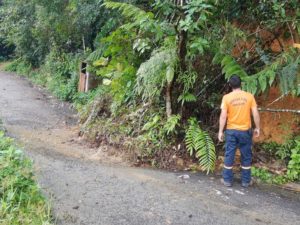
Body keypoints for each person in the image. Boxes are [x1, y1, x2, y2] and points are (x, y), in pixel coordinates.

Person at [218, 75, 260, 188]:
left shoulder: (226, 98)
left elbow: (223, 116)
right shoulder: (249, 96)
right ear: (241, 84)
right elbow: (255, 113)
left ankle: (227, 180)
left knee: (229, 154)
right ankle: (246, 181)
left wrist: (220, 131)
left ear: (230, 85)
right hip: (245, 131)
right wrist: (257, 127)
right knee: (246, 155)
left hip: (231, 131)